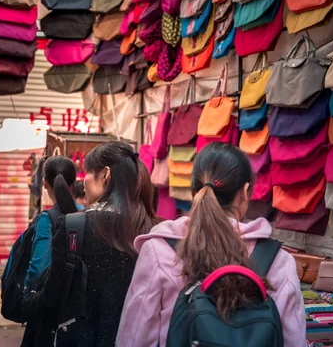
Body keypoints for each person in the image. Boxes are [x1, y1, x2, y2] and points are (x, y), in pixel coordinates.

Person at [116, 143, 305, 347]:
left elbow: (135, 337)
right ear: (245, 191)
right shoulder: (278, 260)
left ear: (194, 190)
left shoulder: (158, 250)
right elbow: (293, 340)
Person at [26, 141, 160, 347]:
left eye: (87, 173)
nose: (84, 180)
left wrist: (27, 301)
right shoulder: (154, 228)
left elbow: (52, 297)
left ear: (105, 175)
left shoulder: (75, 225)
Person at [21, 156, 84, 346]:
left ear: (44, 184)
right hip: (76, 310)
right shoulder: (86, 214)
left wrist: (29, 296)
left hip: (49, 310)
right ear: (74, 183)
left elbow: (38, 268)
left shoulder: (47, 219)